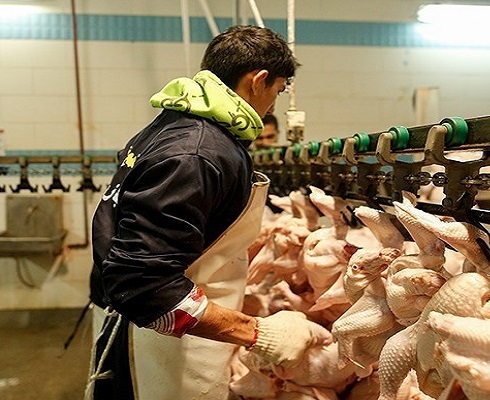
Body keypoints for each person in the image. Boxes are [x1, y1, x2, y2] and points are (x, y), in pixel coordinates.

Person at [86, 25, 329, 400]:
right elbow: (145, 286)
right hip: (166, 343)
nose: (272, 108)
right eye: (278, 91)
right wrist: (257, 333)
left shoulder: (171, 127)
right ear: (258, 80)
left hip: (156, 329)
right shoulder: (197, 153)